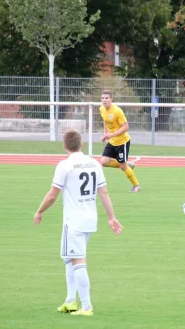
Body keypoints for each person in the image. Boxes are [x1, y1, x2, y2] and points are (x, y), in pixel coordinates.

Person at [33, 129, 123, 316]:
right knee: (69, 259)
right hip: (90, 219)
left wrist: (39, 211)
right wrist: (111, 217)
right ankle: (70, 301)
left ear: (64, 146)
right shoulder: (94, 164)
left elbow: (52, 196)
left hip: (73, 222)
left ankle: (87, 306)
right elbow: (103, 192)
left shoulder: (64, 166)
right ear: (81, 145)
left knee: (78, 261)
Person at [99, 90, 140, 193]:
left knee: (122, 166)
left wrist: (111, 135)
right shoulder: (101, 109)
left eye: (106, 98)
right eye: (103, 98)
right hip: (112, 141)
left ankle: (136, 185)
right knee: (104, 161)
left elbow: (126, 127)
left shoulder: (117, 111)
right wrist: (105, 134)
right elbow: (105, 121)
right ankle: (127, 165)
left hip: (123, 142)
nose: (104, 100)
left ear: (111, 99)